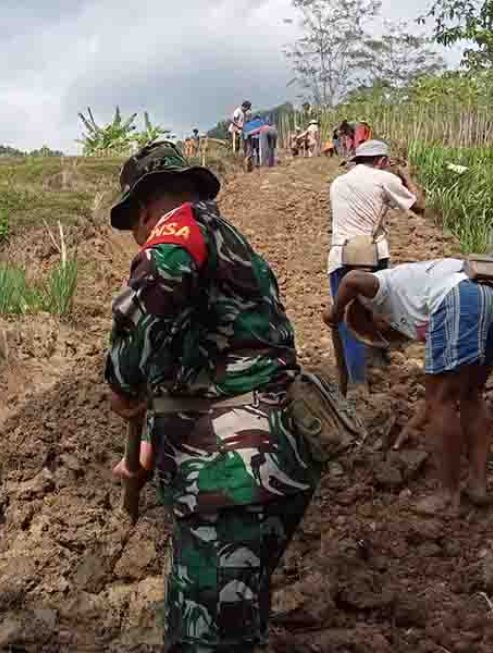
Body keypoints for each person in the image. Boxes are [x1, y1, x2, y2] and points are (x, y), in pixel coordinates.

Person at [105, 142, 322, 651]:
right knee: (230, 624)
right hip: (258, 464)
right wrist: (151, 445)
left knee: (208, 640)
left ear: (143, 209)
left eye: (135, 228)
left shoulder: (179, 231)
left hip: (231, 474)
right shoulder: (228, 244)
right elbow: (211, 360)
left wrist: (121, 380)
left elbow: (149, 303)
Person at [323, 258, 493, 515]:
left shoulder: (378, 291)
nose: (386, 330)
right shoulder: (418, 292)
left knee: (442, 400)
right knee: (471, 393)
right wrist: (416, 421)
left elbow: (352, 278)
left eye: (377, 328)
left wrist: (334, 311)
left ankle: (447, 496)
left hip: (464, 296)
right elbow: (439, 395)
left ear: (368, 314)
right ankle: (477, 484)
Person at [328, 140, 425, 394]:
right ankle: (378, 365)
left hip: (340, 255)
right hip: (373, 256)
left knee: (346, 317)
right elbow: (420, 206)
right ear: (382, 161)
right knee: (378, 310)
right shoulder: (384, 178)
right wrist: (406, 176)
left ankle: (355, 381)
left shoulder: (338, 182)